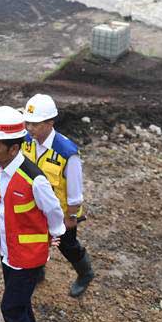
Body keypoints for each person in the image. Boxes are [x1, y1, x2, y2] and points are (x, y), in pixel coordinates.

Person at [0, 106, 65, 322]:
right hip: (8, 251)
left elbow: (54, 209)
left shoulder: (35, 179)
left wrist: (56, 233)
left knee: (12, 309)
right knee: (22, 304)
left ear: (14, 148)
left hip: (28, 257)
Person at [22, 94, 94, 297]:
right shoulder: (27, 142)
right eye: (28, 122)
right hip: (35, 207)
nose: (29, 128)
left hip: (61, 213)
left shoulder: (66, 152)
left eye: (35, 124)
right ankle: (38, 271)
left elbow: (75, 191)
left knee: (67, 246)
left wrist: (71, 216)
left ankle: (85, 273)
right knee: (36, 241)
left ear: (50, 123)